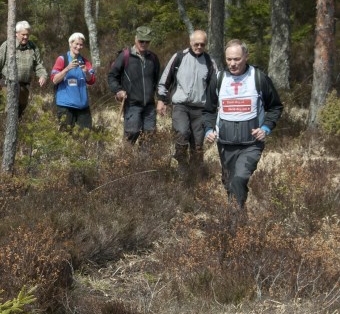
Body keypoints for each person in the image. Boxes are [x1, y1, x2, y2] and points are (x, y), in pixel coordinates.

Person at [203, 39, 283, 210]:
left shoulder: (259, 78)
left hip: (251, 144)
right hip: (225, 143)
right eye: (229, 59)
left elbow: (275, 106)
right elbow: (208, 110)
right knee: (229, 183)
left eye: (237, 59)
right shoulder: (219, 79)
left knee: (239, 179)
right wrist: (209, 129)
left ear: (246, 56)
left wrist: (266, 128)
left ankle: (236, 223)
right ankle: (239, 217)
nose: (232, 64)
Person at [157, 30, 216, 175]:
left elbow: (215, 87)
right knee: (182, 133)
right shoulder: (179, 57)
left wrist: (216, 107)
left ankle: (195, 175)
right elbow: (165, 80)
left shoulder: (210, 62)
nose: (199, 47)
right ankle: (181, 168)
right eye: (196, 44)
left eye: (202, 44)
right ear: (190, 42)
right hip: (180, 106)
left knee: (198, 144)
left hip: (201, 109)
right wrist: (161, 100)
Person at [107, 25, 161, 144]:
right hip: (132, 104)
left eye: (147, 41)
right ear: (135, 39)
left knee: (149, 138)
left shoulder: (153, 58)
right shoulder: (125, 56)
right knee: (131, 135)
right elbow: (112, 76)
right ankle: (126, 161)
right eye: (141, 41)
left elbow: (158, 81)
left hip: (150, 106)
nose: (144, 44)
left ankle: (144, 162)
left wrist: (161, 100)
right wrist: (118, 90)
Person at [0, 20, 48, 117]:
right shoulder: (7, 45)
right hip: (8, 85)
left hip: (24, 88)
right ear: (16, 33)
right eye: (23, 34)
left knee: (20, 115)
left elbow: (38, 65)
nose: (26, 37)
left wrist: (43, 75)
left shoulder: (33, 47)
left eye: (27, 34)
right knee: (8, 114)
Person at [50, 32, 96, 130]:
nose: (78, 47)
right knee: (65, 136)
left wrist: (86, 72)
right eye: (76, 44)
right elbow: (54, 80)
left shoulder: (85, 61)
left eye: (81, 45)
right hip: (65, 105)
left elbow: (92, 81)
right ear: (70, 43)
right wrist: (67, 68)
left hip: (82, 106)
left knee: (85, 136)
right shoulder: (62, 59)